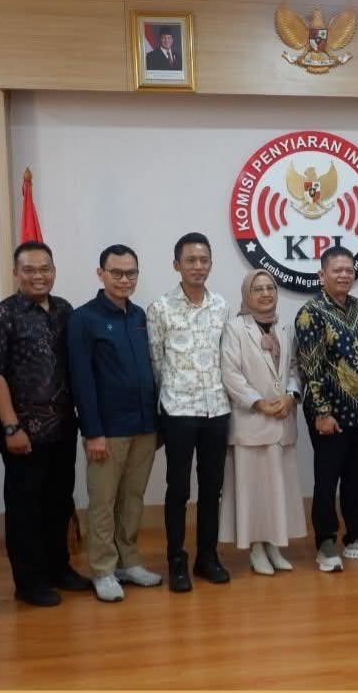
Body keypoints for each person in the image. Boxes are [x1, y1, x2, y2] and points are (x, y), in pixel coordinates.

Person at [0, 241, 92, 607]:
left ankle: (59, 568)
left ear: (54, 272)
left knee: (59, 502)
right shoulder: (1, 316)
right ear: (16, 273)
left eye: (45, 269)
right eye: (29, 269)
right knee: (25, 508)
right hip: (23, 432)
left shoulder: (64, 311)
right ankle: (28, 582)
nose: (38, 276)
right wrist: (10, 426)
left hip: (62, 427)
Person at [68, 244, 161, 603]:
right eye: (117, 272)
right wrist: (92, 432)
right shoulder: (84, 319)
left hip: (144, 425)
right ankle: (103, 569)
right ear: (101, 274)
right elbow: (82, 380)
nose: (125, 279)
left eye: (131, 273)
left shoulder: (139, 316)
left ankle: (129, 561)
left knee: (132, 499)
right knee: (103, 502)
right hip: (106, 431)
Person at [294, 246, 358, 572]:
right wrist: (322, 412)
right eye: (337, 270)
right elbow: (310, 367)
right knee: (327, 479)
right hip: (329, 415)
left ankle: (356, 537)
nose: (344, 275)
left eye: (349, 270)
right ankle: (325, 542)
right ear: (322, 275)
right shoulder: (310, 313)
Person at [147, 232, 232, 592]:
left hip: (217, 409)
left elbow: (226, 356)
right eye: (191, 260)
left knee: (212, 489)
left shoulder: (222, 306)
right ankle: (176, 560)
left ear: (211, 264)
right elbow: (155, 363)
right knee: (178, 489)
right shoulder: (160, 308)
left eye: (204, 260)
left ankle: (207, 557)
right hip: (178, 410)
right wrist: (161, 412)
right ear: (176, 265)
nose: (198, 266)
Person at [218, 270, 307, 575]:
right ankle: (255, 548)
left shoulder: (284, 327)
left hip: (282, 421)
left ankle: (274, 546)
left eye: (271, 287)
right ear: (247, 294)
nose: (266, 293)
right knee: (252, 491)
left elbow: (295, 367)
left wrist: (291, 396)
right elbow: (230, 373)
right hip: (251, 422)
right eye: (258, 289)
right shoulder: (235, 328)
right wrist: (258, 402)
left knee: (278, 490)